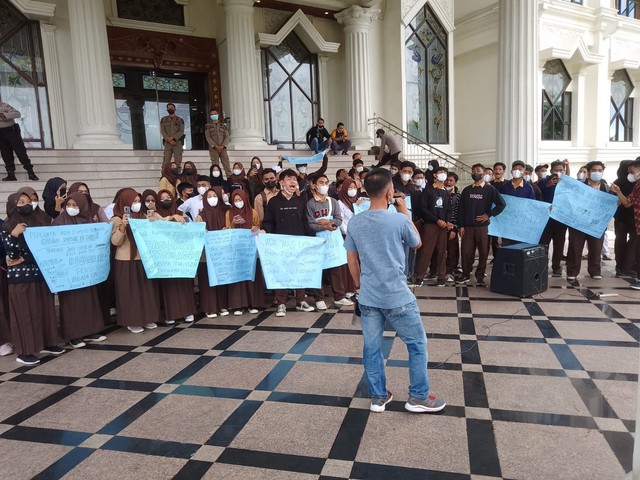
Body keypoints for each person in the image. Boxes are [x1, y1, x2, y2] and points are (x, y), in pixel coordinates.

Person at [345, 168, 445, 414]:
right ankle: (419, 397)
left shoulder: (356, 221)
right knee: (417, 344)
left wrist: (359, 287)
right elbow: (417, 243)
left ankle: (378, 397)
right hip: (397, 296)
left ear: (366, 192)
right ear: (390, 192)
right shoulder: (399, 219)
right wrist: (404, 210)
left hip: (368, 296)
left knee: (372, 347)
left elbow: (352, 261)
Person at [1, 188, 61, 365]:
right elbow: (12, 255)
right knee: (24, 313)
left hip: (41, 274)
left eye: (28, 202)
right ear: (13, 206)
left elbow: (43, 248)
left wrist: (25, 257)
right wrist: (14, 235)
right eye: (21, 202)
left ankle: (48, 343)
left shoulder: (38, 222)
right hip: (20, 278)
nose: (26, 205)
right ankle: (24, 351)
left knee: (43, 310)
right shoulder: (7, 226)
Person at [52, 192, 107, 348]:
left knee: (88, 300)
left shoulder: (88, 221)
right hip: (69, 271)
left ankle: (90, 330)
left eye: (75, 205)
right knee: (72, 303)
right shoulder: (59, 222)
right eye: (68, 205)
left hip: (86, 269)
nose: (71, 208)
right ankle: (73, 335)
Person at [262, 169, 315, 316]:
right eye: (289, 179)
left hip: (299, 243)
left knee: (299, 272)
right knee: (282, 272)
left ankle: (300, 301)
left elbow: (305, 222)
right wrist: (264, 231)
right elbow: (269, 222)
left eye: (295, 180)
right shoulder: (273, 202)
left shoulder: (300, 200)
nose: (293, 182)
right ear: (281, 183)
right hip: (281, 244)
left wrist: (314, 237)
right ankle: (281, 303)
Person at [110, 188, 160, 333]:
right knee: (130, 292)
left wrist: (152, 221)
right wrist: (122, 227)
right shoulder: (117, 219)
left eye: (138, 201)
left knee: (145, 291)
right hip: (126, 261)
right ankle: (132, 320)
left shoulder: (143, 216)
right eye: (134, 202)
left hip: (142, 259)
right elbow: (115, 242)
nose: (137, 204)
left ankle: (147, 317)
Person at [306, 174, 353, 308]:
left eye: (326, 182)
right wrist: (323, 226)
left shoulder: (332, 201)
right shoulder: (310, 204)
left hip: (333, 239)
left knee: (336, 267)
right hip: (318, 240)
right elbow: (310, 224)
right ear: (314, 186)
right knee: (318, 268)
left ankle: (339, 296)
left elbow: (338, 219)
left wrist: (329, 223)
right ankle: (318, 298)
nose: (324, 185)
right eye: (321, 183)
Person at [457, 163, 506, 286]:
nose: (475, 173)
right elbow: (461, 209)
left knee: (484, 252)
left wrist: (488, 215)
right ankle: (466, 274)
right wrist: (461, 225)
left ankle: (480, 276)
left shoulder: (490, 189)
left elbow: (501, 204)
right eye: (473, 171)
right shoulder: (467, 190)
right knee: (466, 252)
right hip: (468, 227)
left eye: (478, 170)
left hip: (482, 228)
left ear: (484, 173)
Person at [566, 161, 609, 281]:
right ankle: (572, 271)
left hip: (597, 224)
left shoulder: (606, 188)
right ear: (588, 172)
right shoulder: (579, 186)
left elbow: (611, 205)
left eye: (600, 170)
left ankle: (595, 271)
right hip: (578, 223)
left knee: (596, 248)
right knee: (575, 247)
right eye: (594, 170)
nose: (597, 172)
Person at [225, 189, 265, 315]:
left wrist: (255, 228)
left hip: (250, 251)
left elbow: (258, 227)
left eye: (240, 200)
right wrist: (233, 223)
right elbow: (226, 230)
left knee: (250, 275)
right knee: (238, 277)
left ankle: (253, 303)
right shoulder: (228, 213)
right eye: (235, 200)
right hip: (236, 250)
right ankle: (238, 305)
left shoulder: (252, 212)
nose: (238, 202)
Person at [414, 166, 453, 287]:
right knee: (426, 251)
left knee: (442, 252)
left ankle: (441, 277)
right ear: (435, 175)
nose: (443, 175)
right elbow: (423, 208)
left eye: (445, 173)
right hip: (431, 225)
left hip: (443, 227)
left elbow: (449, 210)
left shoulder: (446, 192)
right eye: (440, 172)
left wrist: (448, 222)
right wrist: (436, 220)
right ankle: (419, 277)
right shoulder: (429, 190)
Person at [196, 188, 230, 317]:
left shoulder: (225, 211)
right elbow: (197, 232)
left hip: (222, 253)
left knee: (222, 278)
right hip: (207, 255)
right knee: (207, 279)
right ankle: (210, 307)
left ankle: (222, 305)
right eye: (209, 196)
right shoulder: (201, 215)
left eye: (214, 195)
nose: (212, 198)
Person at [610, 159, 640, 290]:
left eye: (632, 172)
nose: (631, 175)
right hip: (630, 220)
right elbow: (627, 203)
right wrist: (618, 192)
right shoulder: (637, 185)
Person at [539, 160, 570, 277]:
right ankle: (542, 264)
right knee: (543, 243)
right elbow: (538, 196)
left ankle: (556, 266)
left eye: (561, 170)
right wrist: (547, 186)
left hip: (560, 220)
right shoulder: (543, 182)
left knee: (559, 243)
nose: (558, 172)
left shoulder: (567, 184)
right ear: (551, 171)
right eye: (556, 170)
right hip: (546, 219)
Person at [0, 102, 39, 181]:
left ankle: (30, 172)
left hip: (11, 131)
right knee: (6, 154)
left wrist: (4, 115)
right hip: (1, 133)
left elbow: (17, 114)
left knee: (21, 152)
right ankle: (11, 174)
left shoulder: (4, 106)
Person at [500, 160, 536, 246]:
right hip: (507, 223)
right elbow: (500, 202)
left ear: (524, 172)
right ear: (511, 172)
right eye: (515, 168)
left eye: (520, 169)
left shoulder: (529, 188)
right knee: (507, 246)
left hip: (522, 223)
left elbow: (532, 205)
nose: (517, 170)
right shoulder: (505, 187)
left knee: (520, 246)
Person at [444, 172, 461, 283]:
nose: (448, 182)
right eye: (447, 180)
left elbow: (459, 213)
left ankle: (450, 271)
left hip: (452, 228)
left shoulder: (458, 196)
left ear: (455, 182)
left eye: (451, 180)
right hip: (441, 226)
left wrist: (455, 228)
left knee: (452, 250)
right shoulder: (439, 193)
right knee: (440, 251)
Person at [204, 109, 231, 176]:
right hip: (213, 149)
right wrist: (215, 146)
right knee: (215, 166)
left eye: (215, 114)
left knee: (227, 165)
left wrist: (223, 146)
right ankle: (216, 180)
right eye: (212, 114)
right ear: (210, 116)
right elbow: (208, 137)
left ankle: (230, 179)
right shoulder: (208, 126)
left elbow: (227, 136)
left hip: (223, 148)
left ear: (218, 115)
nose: (214, 115)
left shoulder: (223, 125)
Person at [160, 103, 185, 169]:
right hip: (167, 143)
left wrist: (173, 138)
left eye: (172, 108)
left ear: (175, 109)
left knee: (178, 161)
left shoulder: (180, 120)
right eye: (169, 108)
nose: (170, 109)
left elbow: (181, 131)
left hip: (177, 143)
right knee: (166, 161)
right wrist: (168, 139)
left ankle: (177, 176)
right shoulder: (163, 120)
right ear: (167, 109)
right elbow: (162, 131)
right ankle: (164, 176)